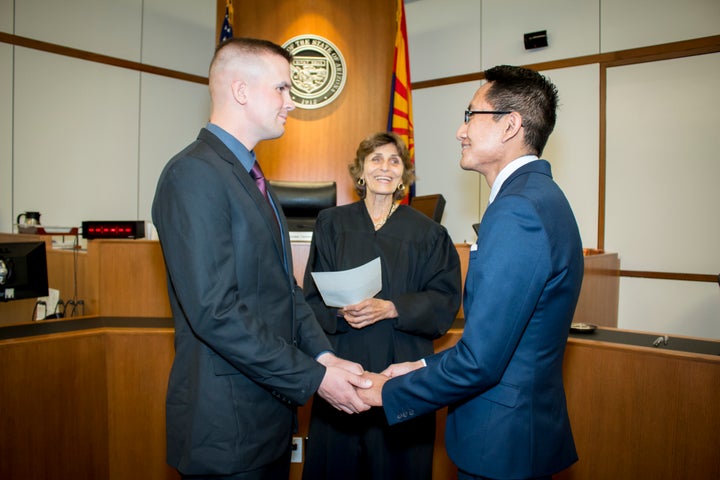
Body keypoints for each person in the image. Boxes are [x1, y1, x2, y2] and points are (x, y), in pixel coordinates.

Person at [151, 37, 372, 480]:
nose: (291, 102)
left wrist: (323, 357)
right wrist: (313, 377)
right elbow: (216, 312)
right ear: (241, 90)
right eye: (282, 89)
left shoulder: (249, 173)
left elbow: (284, 289)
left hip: (265, 420)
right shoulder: (193, 173)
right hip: (226, 426)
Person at [359, 65, 585, 480]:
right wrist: (419, 368)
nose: (460, 131)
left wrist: (388, 390)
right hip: (518, 435)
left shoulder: (518, 211)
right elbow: (500, 344)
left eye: (470, 116)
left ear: (510, 125)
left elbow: (481, 361)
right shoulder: (540, 197)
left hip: (503, 444)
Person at [301, 132, 463, 480]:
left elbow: (445, 301)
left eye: (394, 161)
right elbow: (310, 301)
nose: (385, 167)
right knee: (336, 467)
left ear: (404, 175)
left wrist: (392, 308)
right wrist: (339, 312)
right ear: (361, 171)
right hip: (344, 368)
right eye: (376, 159)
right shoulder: (332, 223)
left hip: (399, 373)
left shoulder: (429, 233)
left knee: (398, 468)